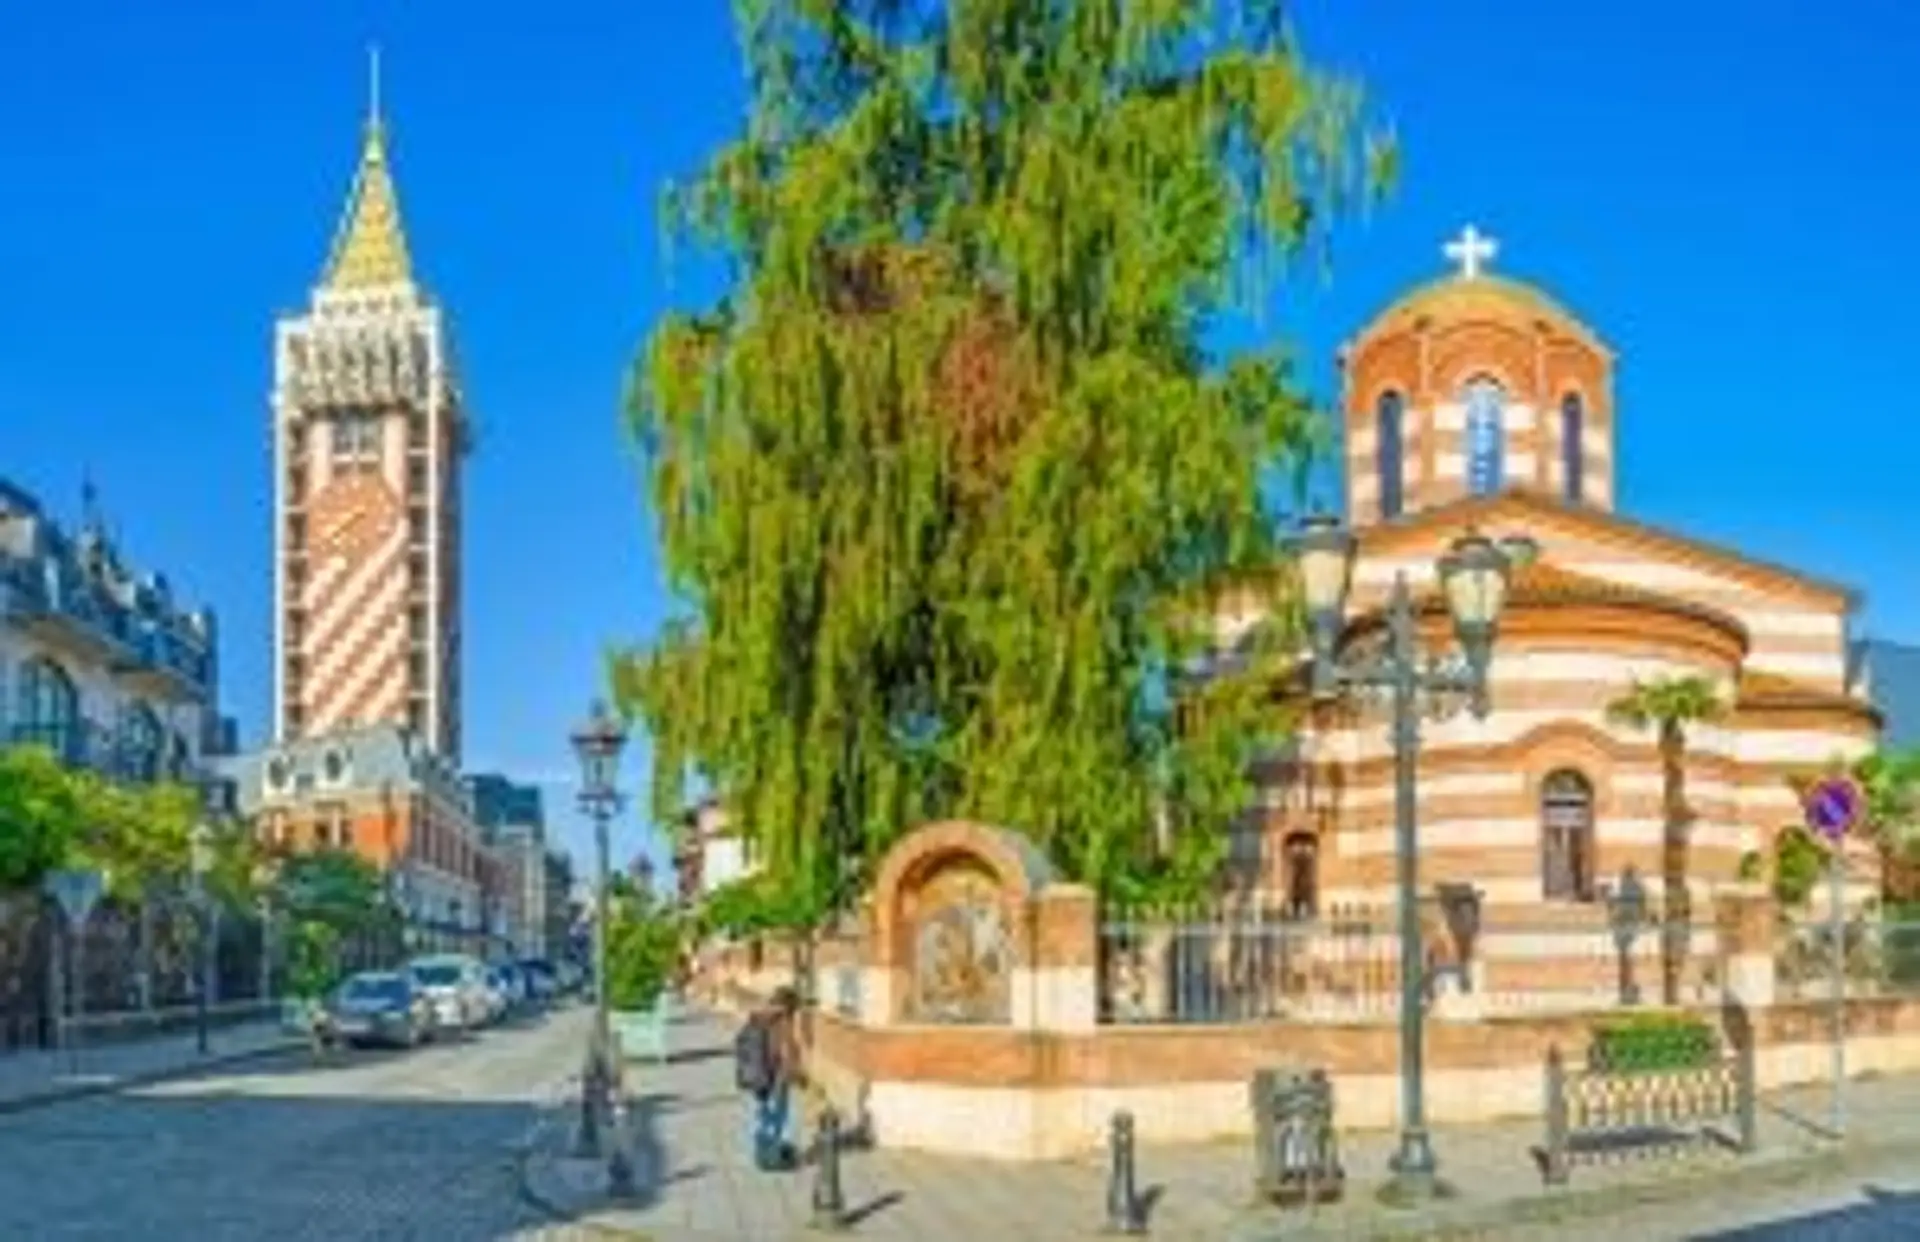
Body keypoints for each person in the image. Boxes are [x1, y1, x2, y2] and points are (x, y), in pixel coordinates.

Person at [734, 985, 804, 1170]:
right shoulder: (783, 1021)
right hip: (777, 1077)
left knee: (763, 1115)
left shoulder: (759, 1017)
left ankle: (761, 1155)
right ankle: (772, 1157)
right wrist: (797, 1076)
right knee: (778, 1117)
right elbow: (786, 1053)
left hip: (759, 1076)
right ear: (790, 1006)